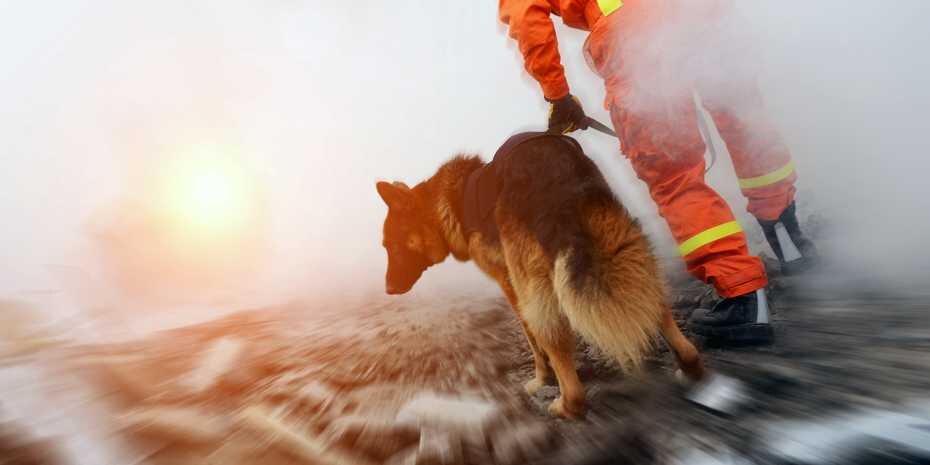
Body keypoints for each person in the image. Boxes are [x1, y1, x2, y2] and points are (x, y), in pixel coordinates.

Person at [498, 0, 817, 344]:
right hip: (706, 16)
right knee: (747, 126)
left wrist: (557, 95)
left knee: (673, 173)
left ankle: (742, 295)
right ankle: (788, 238)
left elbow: (526, 16)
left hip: (636, 38)